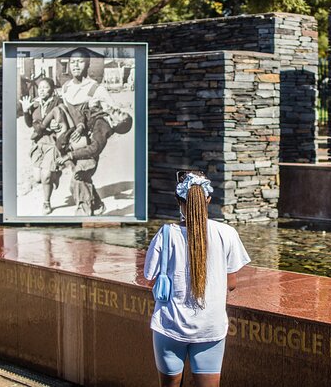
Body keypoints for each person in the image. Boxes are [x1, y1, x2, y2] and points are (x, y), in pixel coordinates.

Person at [144, 171, 251, 387]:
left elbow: (150, 279)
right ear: (208, 199)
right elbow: (231, 283)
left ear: (178, 201)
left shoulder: (165, 235)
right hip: (211, 328)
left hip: (170, 326)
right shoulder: (227, 233)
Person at [57, 103, 133, 215]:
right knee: (83, 182)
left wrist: (70, 155)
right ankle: (97, 206)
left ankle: (83, 213)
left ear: (116, 123)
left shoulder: (103, 126)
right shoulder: (104, 117)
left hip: (88, 160)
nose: (118, 110)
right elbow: (86, 112)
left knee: (78, 182)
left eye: (120, 113)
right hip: (84, 156)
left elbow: (94, 148)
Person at [19, 77, 62, 215]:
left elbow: (63, 120)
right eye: (40, 87)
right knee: (38, 178)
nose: (42, 90)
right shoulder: (35, 103)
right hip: (38, 142)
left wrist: (57, 125)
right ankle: (56, 175)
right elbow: (29, 123)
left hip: (52, 141)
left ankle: (46, 202)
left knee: (46, 176)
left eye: (46, 87)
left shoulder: (58, 102)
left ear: (52, 89)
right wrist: (26, 111)